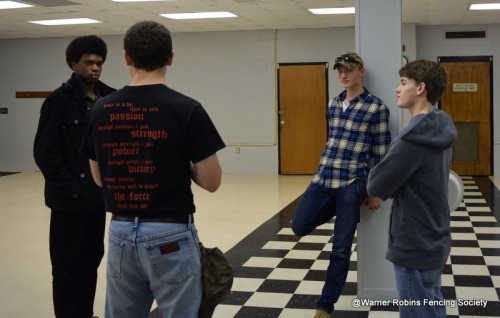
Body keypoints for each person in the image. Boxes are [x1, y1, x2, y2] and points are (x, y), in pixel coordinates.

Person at [80, 21, 225, 318]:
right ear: (170, 57)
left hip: (120, 231)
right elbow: (211, 181)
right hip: (170, 233)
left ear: (126, 58)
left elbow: (98, 179)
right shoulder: (187, 108)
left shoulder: (100, 109)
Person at [291, 52, 391, 318]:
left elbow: (380, 154)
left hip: (351, 182)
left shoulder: (376, 107)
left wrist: (373, 191)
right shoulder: (333, 103)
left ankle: (325, 306)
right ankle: (341, 209)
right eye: (339, 71)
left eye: (349, 69)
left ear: (361, 71)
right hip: (323, 178)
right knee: (298, 225)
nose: (343, 75)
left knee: (340, 249)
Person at [33, 35, 115, 318]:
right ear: (73, 64)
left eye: (99, 63)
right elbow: (46, 153)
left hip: (97, 199)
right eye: (88, 63)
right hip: (69, 201)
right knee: (67, 266)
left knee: (92, 259)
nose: (95, 68)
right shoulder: (59, 101)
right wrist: (73, 188)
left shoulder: (109, 98)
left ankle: (85, 313)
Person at [367, 59, 456, 318]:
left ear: (421, 88)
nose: (397, 88)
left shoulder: (412, 139)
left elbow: (376, 184)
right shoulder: (440, 125)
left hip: (414, 241)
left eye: (404, 83)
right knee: (430, 304)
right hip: (434, 234)